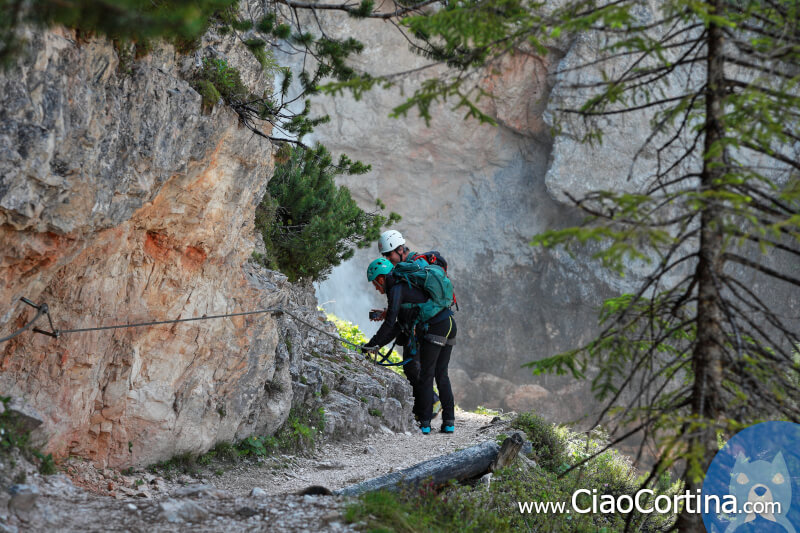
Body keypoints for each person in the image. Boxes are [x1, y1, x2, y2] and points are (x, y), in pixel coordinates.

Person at [363, 257, 456, 435]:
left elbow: (390, 323)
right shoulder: (408, 287)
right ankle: (449, 423)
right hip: (449, 324)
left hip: (436, 327)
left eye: (375, 283)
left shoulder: (396, 289)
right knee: (441, 374)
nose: (376, 288)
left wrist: (371, 346)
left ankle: (425, 423)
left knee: (427, 374)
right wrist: (373, 345)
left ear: (381, 278)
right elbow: (399, 324)